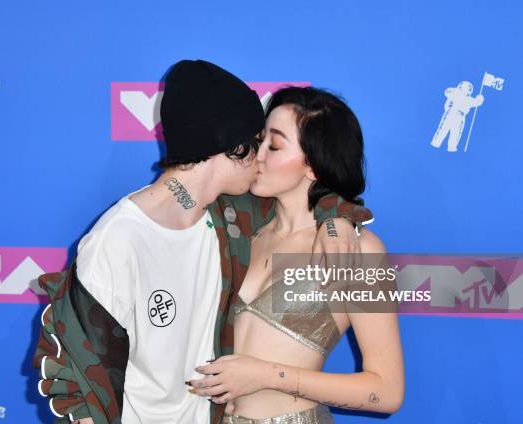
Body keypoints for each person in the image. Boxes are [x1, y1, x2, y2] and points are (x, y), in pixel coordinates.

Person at [33, 61, 374, 424]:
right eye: (259, 143)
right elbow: (77, 383)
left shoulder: (231, 219)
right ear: (233, 147)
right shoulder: (118, 240)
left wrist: (334, 217)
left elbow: (310, 193)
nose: (262, 159)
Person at [189, 86, 404, 423]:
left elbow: (387, 392)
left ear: (314, 166)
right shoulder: (242, 229)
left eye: (273, 146)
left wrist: (267, 376)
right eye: (259, 141)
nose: (256, 155)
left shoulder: (358, 250)